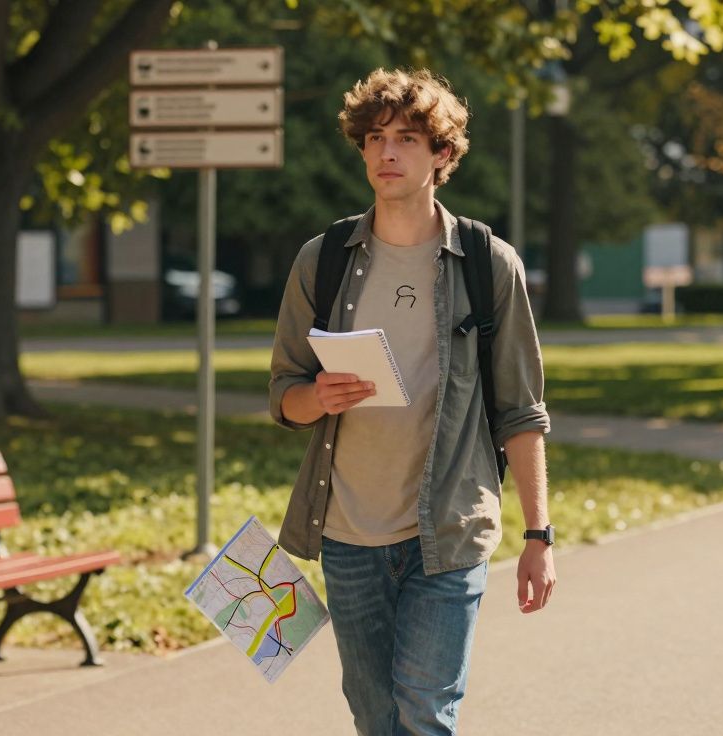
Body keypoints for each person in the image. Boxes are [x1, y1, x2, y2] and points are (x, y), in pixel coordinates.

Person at [269, 68, 555, 735]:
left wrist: (539, 534)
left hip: (448, 533)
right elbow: (284, 395)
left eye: (405, 138)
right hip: (345, 534)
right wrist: (318, 394)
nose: (386, 153)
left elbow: (520, 408)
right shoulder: (324, 259)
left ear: (442, 155)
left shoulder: (489, 264)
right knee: (376, 719)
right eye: (374, 137)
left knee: (424, 714)